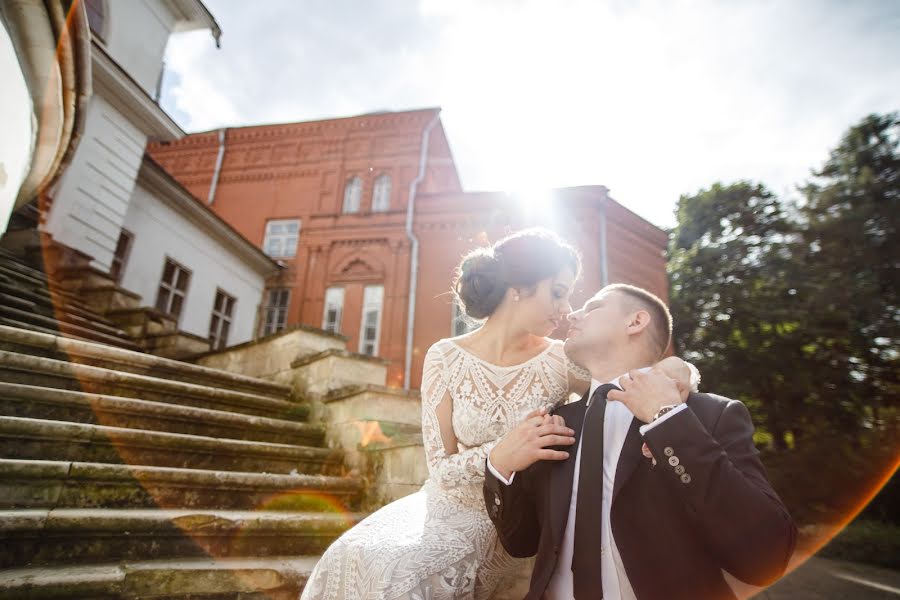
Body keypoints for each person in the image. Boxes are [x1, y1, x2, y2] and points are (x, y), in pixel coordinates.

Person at [301, 229, 696, 600]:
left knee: (398, 574)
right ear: (519, 288)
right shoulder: (444, 356)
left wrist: (678, 369)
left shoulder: (560, 360)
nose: (566, 309)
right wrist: (501, 454)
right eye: (558, 293)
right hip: (439, 506)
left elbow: (625, 383)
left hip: (508, 520)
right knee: (349, 554)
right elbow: (440, 468)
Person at [484, 283, 797, 600]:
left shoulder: (705, 415)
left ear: (635, 322)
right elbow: (521, 543)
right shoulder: (554, 424)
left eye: (593, 307)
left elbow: (765, 558)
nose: (571, 313)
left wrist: (669, 422)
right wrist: (500, 467)